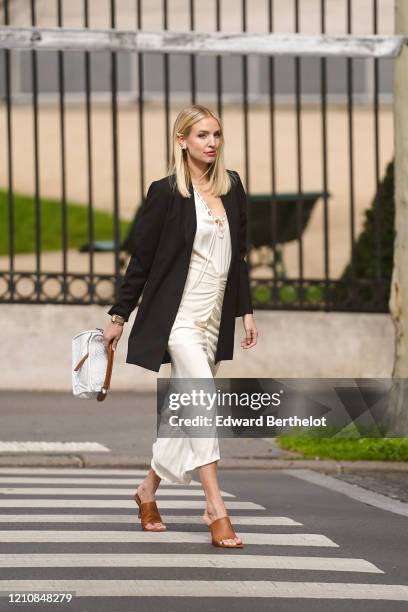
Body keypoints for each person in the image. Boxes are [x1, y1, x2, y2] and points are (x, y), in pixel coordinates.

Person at [103, 104, 258, 548]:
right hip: (180, 320)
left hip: (213, 322)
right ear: (182, 141)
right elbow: (143, 261)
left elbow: (240, 257)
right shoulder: (167, 193)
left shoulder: (233, 188)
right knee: (203, 401)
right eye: (202, 135)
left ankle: (146, 490)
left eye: (216, 135)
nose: (211, 143)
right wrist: (119, 315)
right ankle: (216, 506)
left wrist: (245, 311)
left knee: (183, 409)